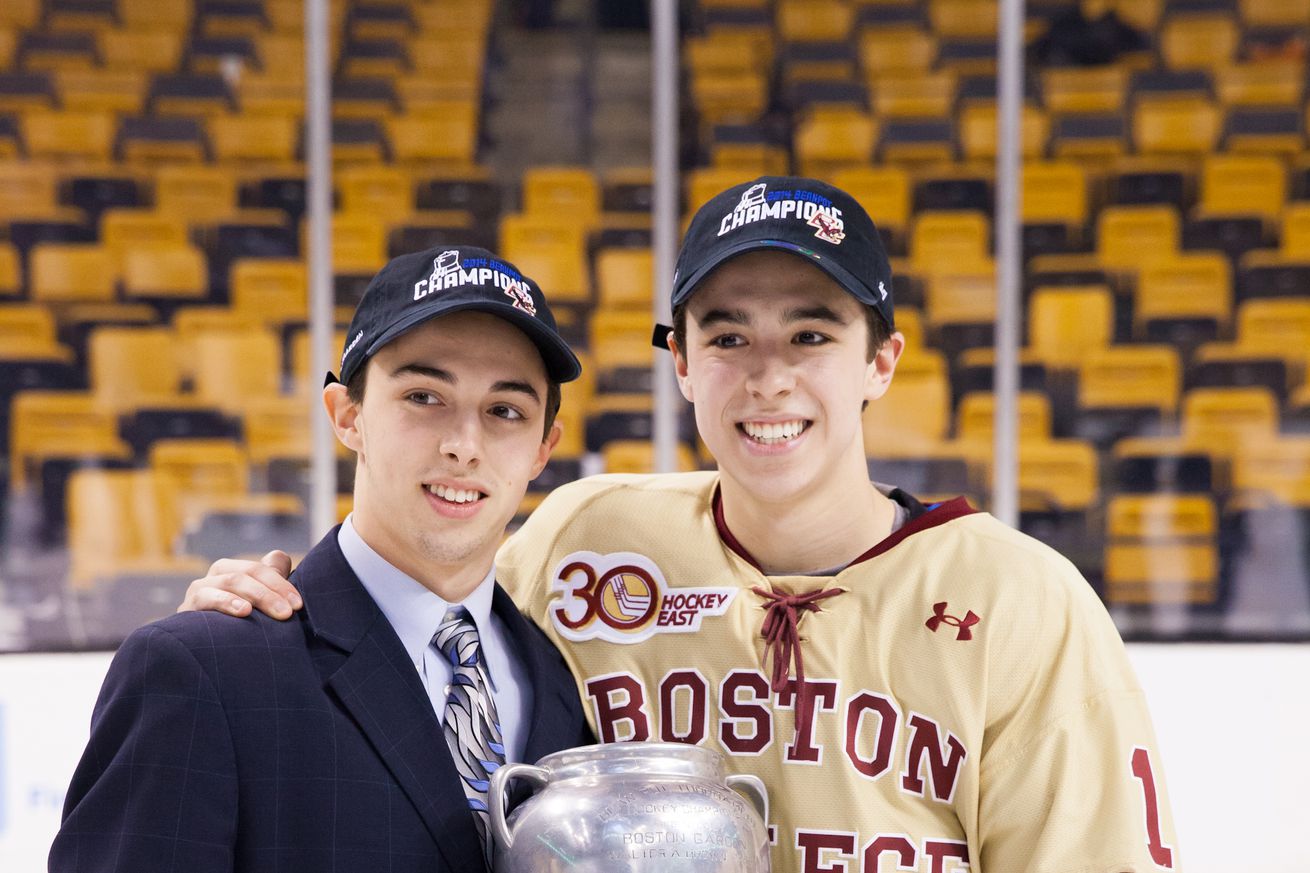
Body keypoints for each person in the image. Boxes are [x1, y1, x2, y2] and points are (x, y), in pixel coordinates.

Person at [181, 178, 1181, 872]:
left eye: (811, 334)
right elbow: (413, 619)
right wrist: (256, 609)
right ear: (682, 364)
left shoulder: (1018, 598)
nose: (768, 375)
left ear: (880, 362)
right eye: (727, 335)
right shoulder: (586, 538)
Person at [51, 246, 594, 873]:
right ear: (348, 416)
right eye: (424, 396)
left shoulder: (563, 678)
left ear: (542, 448)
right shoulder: (202, 669)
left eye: (505, 411)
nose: (463, 446)